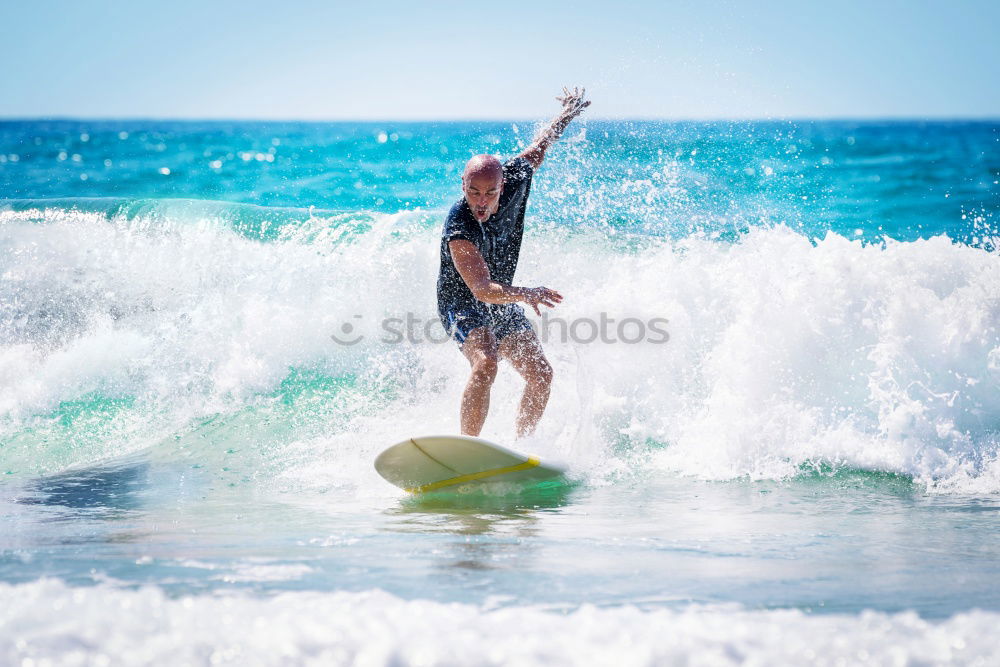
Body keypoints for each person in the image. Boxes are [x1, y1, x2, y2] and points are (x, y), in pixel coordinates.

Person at [436, 87, 590, 438]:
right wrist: (526, 292)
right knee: (486, 361)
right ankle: (467, 447)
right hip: (463, 304)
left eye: (490, 193)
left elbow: (538, 149)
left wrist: (565, 115)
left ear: (503, 186)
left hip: (501, 300)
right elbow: (481, 290)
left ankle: (519, 448)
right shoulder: (460, 225)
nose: (481, 200)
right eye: (473, 191)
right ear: (463, 185)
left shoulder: (516, 177)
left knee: (541, 375)